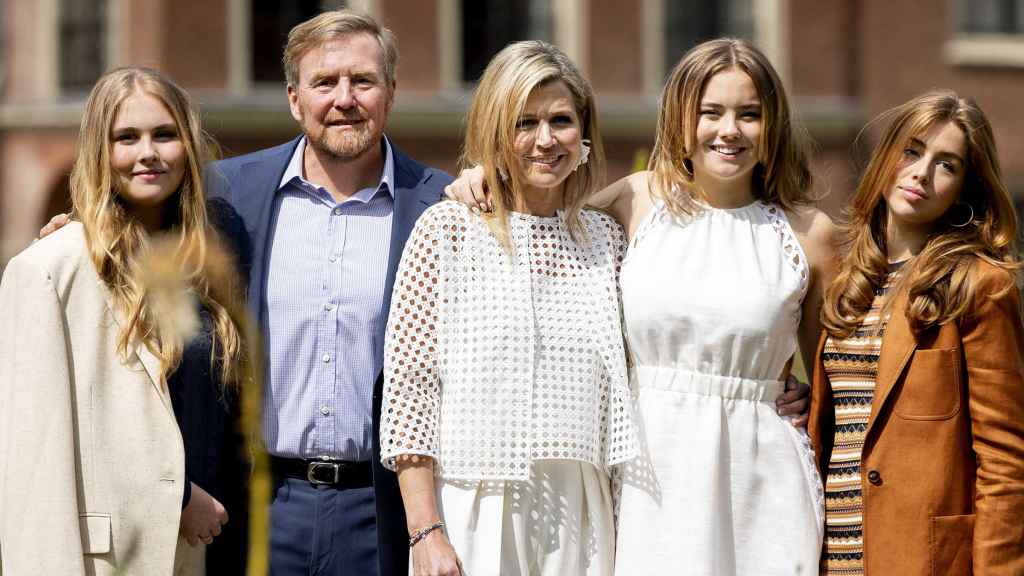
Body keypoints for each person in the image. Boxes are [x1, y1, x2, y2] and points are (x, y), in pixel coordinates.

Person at [447, 38, 834, 574]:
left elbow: (833, 375)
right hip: (649, 465)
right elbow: (544, 223)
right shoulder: (636, 201)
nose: (729, 130)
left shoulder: (809, 234)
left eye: (750, 114)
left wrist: (804, 394)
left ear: (773, 127)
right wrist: (484, 173)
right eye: (710, 112)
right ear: (681, 118)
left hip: (760, 470)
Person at [203, 9, 452, 576]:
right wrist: (75, 224)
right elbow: (141, 246)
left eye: (362, 81)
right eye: (324, 82)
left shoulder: (441, 205)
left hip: (384, 512)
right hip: (261, 507)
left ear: (390, 93)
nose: (345, 98)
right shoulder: (227, 193)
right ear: (295, 98)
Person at [379, 40, 638, 576]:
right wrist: (425, 532)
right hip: (475, 506)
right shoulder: (446, 231)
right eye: (525, 122)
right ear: (498, 130)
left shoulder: (607, 241)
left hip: (584, 511)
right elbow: (410, 395)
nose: (545, 140)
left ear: (584, 131)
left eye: (561, 120)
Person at [0, 67, 249, 575]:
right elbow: (34, 459)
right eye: (126, 138)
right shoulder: (51, 268)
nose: (148, 153)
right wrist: (180, 494)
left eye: (164, 134)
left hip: (199, 556)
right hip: (109, 561)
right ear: (99, 150)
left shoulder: (205, 263)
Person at [810, 90, 1024, 575]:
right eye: (912, 150)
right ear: (888, 156)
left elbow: (1005, 462)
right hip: (828, 555)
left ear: (965, 188)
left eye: (946, 165)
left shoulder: (980, 286)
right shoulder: (846, 280)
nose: (921, 173)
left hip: (922, 558)